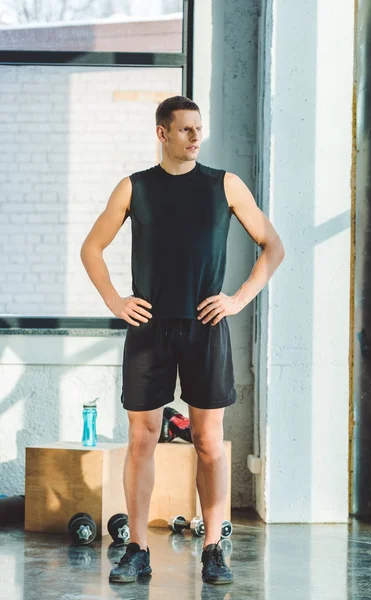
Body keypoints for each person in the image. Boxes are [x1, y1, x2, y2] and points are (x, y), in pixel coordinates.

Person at [80, 95, 285, 585]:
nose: (196, 137)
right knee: (141, 439)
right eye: (186, 129)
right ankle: (137, 549)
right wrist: (115, 300)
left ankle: (213, 548)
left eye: (199, 129)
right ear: (162, 133)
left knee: (210, 443)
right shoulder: (135, 188)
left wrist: (236, 300)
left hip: (205, 327)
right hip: (149, 328)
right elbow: (92, 247)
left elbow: (272, 246)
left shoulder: (224, 185)